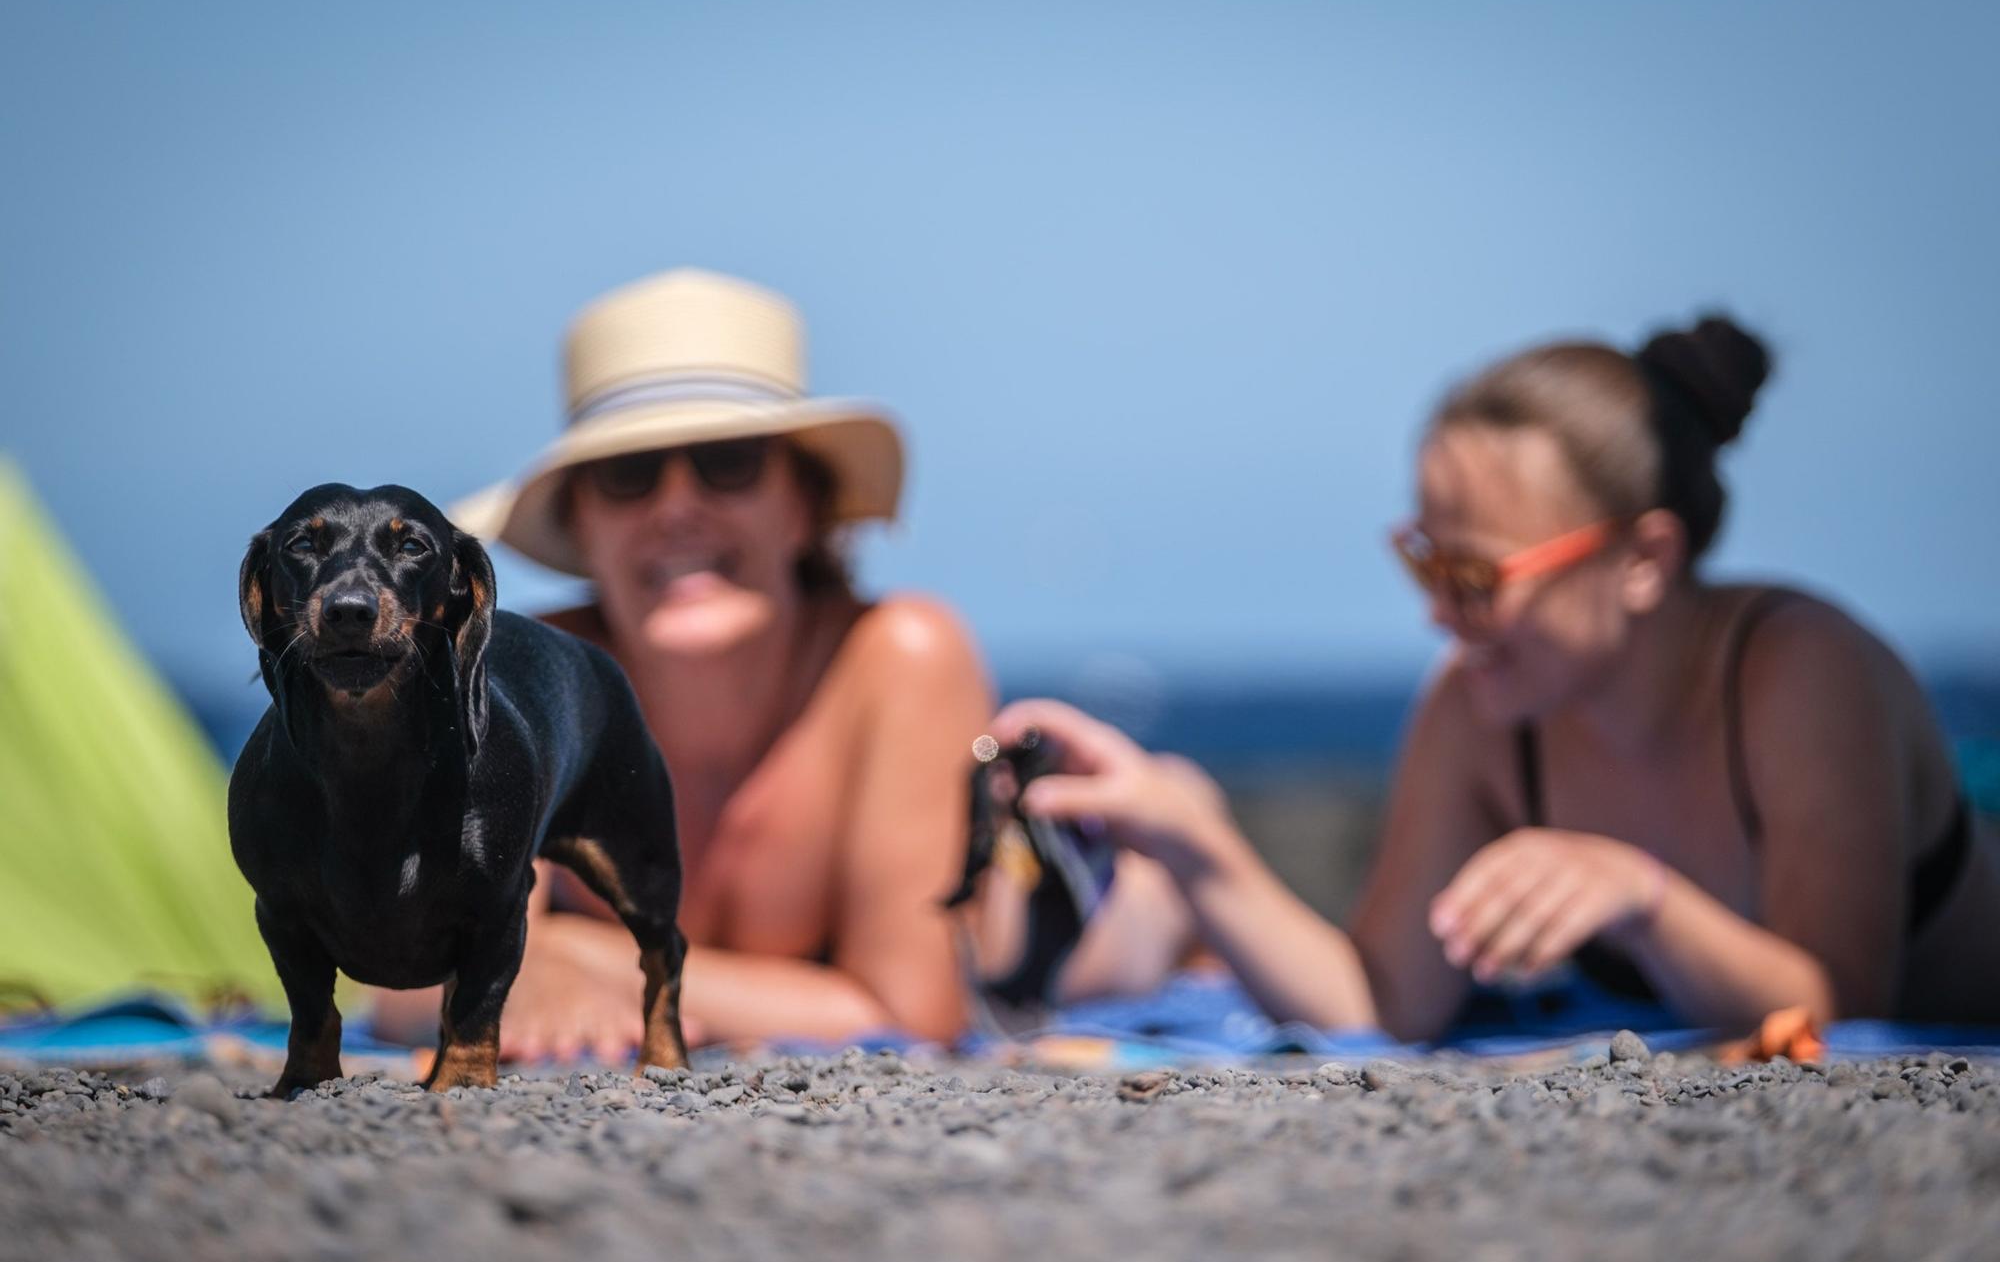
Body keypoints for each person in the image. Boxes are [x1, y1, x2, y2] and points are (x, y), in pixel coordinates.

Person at [990, 316, 2000, 1039]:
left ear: (1643, 559)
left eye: (1473, 577)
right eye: (1422, 563)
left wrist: (1639, 895)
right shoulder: (1480, 705)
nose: (1437, 611)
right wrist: (1189, 836)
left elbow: (1841, 1009)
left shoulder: (1798, 675)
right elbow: (1381, 1002)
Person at [373, 268, 990, 1058]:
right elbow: (390, 971)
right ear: (582, 527)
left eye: (726, 459)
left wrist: (578, 955)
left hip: (1054, 917)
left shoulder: (899, 656)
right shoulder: (514, 677)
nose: (675, 507)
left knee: (1140, 912)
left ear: (804, 505)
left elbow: (913, 1012)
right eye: (628, 475)